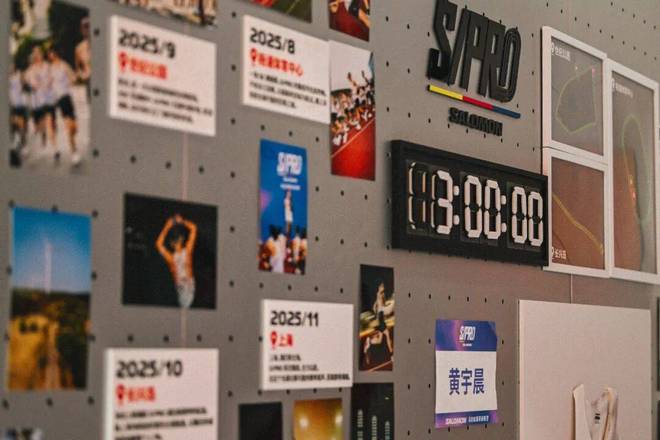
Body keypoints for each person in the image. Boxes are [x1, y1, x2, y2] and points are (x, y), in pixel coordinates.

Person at [48, 45, 81, 165]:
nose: (50, 55)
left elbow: (73, 77)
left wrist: (72, 80)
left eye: (52, 53)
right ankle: (74, 152)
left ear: (56, 53)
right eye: (49, 54)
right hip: (59, 99)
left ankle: (73, 146)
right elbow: (48, 84)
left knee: (74, 127)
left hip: (67, 98)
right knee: (68, 126)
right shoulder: (50, 69)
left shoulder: (64, 65)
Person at [156, 215, 198, 308]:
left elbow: (194, 228)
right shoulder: (172, 258)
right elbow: (158, 244)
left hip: (189, 287)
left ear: (181, 239)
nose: (176, 242)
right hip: (182, 289)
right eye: (175, 241)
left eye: (177, 240)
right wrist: (168, 225)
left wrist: (179, 222)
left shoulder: (186, 252)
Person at [24, 45, 53, 154]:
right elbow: (26, 79)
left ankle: (44, 135)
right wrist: (31, 84)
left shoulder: (46, 66)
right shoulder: (31, 68)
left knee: (44, 118)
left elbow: (51, 77)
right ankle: (41, 132)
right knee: (36, 123)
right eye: (35, 53)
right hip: (35, 99)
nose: (37, 55)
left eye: (38, 52)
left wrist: (47, 84)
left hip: (45, 98)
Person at [363, 279, 394, 366]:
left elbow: (377, 305)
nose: (382, 288)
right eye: (381, 286)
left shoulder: (380, 294)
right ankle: (392, 355)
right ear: (379, 287)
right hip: (380, 317)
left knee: (380, 340)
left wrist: (378, 308)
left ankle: (369, 341)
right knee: (387, 334)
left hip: (380, 316)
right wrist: (386, 307)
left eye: (383, 286)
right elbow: (380, 305)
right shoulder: (380, 294)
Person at [9, 63, 28, 154]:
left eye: (11, 65)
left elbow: (25, 85)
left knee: (21, 126)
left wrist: (23, 79)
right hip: (11, 105)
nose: (10, 67)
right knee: (13, 125)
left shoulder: (19, 75)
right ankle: (16, 142)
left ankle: (24, 145)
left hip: (20, 104)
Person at [75, 17, 91, 100]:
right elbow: (77, 68)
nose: (87, 30)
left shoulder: (101, 43)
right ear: (81, 30)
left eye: (89, 26)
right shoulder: (79, 48)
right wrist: (82, 75)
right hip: (89, 80)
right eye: (85, 27)